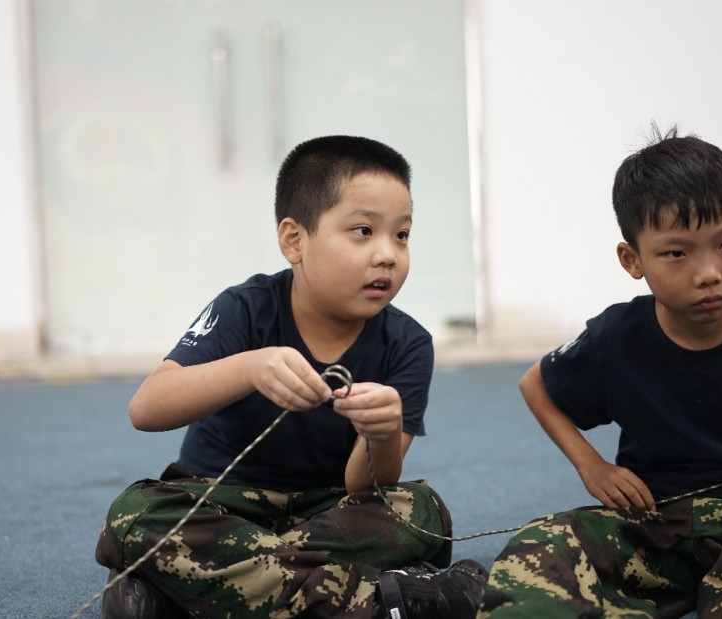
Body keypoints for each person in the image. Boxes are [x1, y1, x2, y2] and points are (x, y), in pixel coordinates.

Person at [95, 135, 487, 619]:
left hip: (330, 513)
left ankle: (184, 595)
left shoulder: (408, 343)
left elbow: (368, 484)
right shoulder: (244, 309)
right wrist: (249, 367)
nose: (388, 254)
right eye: (364, 230)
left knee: (422, 511)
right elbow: (147, 409)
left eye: (402, 235)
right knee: (136, 512)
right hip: (223, 506)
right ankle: (378, 601)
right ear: (294, 240)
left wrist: (382, 434)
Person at [478, 127, 722, 618]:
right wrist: (591, 466)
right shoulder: (616, 337)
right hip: (655, 530)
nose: (708, 272)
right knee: (541, 547)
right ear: (632, 259)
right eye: (677, 253)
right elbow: (536, 384)